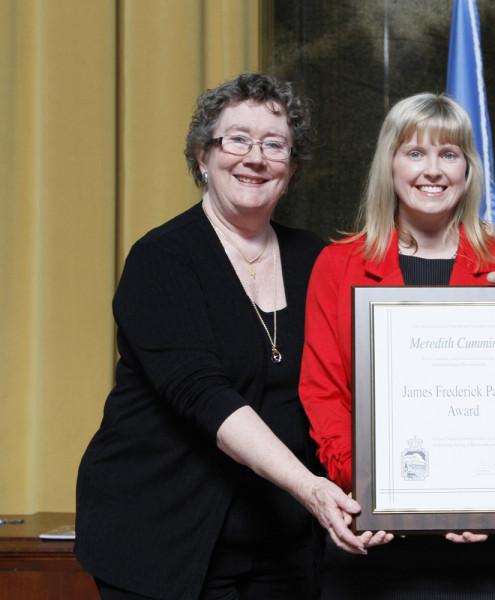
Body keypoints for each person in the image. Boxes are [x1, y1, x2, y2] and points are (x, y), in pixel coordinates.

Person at [76, 73, 370, 600]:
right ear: (202, 157)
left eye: (274, 145)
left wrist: (481, 252)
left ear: (292, 169)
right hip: (162, 541)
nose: (255, 158)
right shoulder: (162, 259)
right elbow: (205, 395)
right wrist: (312, 489)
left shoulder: (317, 260)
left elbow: (374, 357)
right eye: (236, 139)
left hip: (283, 543)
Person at [299, 92, 495, 598]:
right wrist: (372, 489)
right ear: (389, 164)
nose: (431, 170)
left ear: (468, 169)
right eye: (414, 153)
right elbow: (323, 395)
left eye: (448, 154)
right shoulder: (338, 265)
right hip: (373, 540)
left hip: (488, 551)